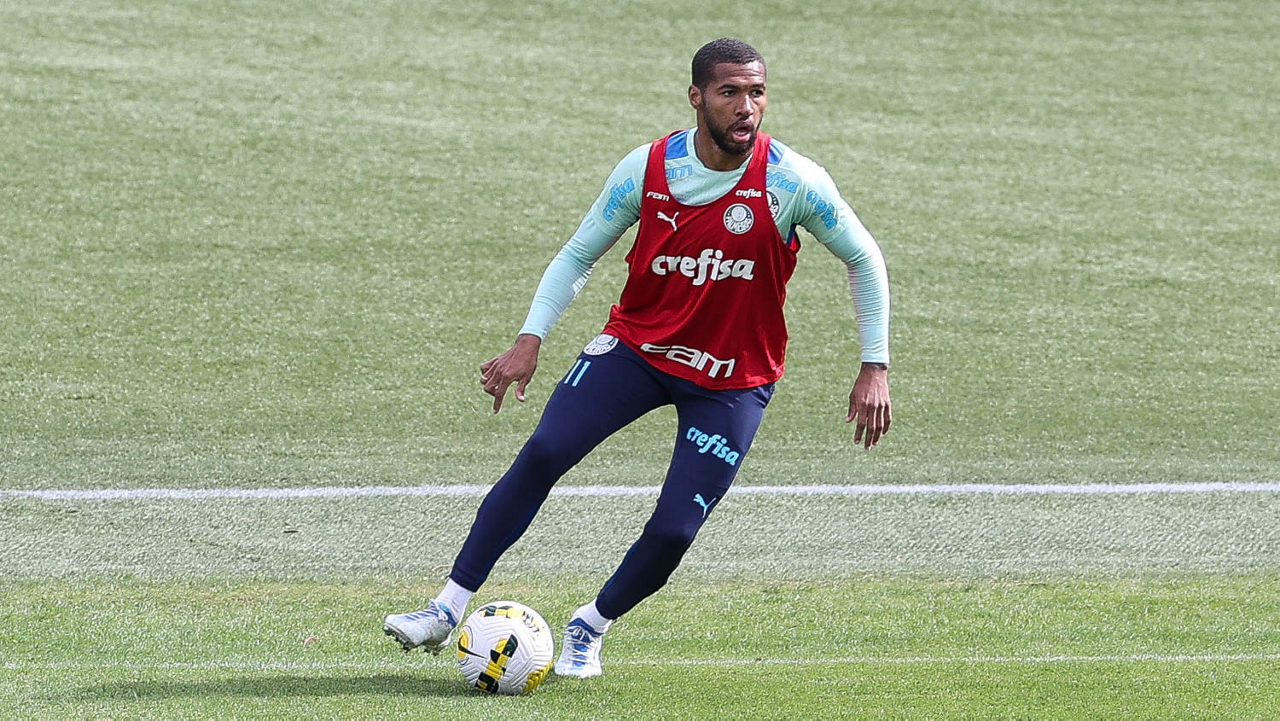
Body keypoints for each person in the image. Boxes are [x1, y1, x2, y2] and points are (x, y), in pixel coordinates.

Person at [384, 37, 892, 679]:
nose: (746, 107)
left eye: (756, 93)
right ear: (697, 97)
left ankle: (590, 625)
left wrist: (874, 364)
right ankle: (446, 607)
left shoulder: (793, 181)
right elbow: (579, 253)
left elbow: (863, 258)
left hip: (731, 380)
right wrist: (530, 338)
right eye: (730, 93)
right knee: (544, 451)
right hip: (637, 350)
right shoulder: (647, 170)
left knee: (676, 528)